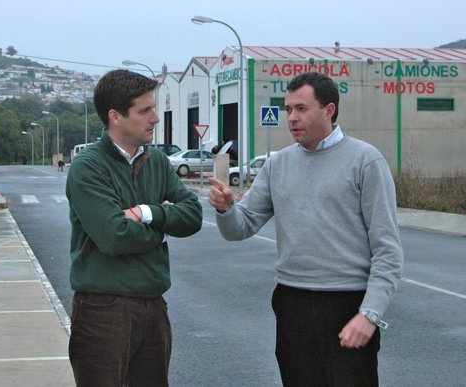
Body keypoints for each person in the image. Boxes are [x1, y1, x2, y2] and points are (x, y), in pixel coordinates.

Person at [208, 71, 403, 386]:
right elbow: (239, 228)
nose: (292, 118)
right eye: (288, 110)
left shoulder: (365, 161)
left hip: (347, 303)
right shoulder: (277, 165)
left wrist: (370, 314)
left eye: (301, 109)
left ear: (329, 110)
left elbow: (388, 250)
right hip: (292, 302)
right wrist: (225, 208)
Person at [66, 69, 203, 386]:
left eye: (153, 108)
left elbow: (193, 215)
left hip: (154, 307)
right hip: (103, 311)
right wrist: (165, 225)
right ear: (115, 116)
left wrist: (145, 213)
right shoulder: (88, 167)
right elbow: (113, 237)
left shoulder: (156, 161)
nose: (155, 118)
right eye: (145, 110)